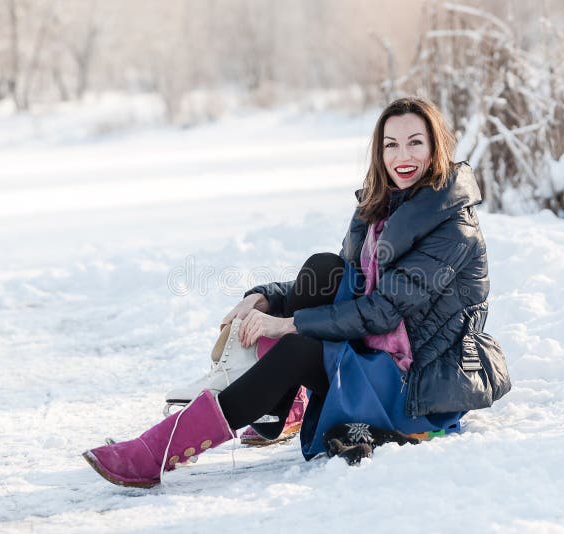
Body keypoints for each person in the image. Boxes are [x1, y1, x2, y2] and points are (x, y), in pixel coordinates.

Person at [83, 97, 491, 488]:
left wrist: (287, 324)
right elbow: (345, 281)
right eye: (391, 144)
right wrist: (264, 297)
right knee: (324, 267)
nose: (403, 155)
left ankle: (157, 451)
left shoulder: (453, 229)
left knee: (297, 347)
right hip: (374, 354)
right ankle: (279, 408)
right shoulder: (382, 207)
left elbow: (381, 312)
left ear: (436, 147)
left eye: (415, 143)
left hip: (413, 384)